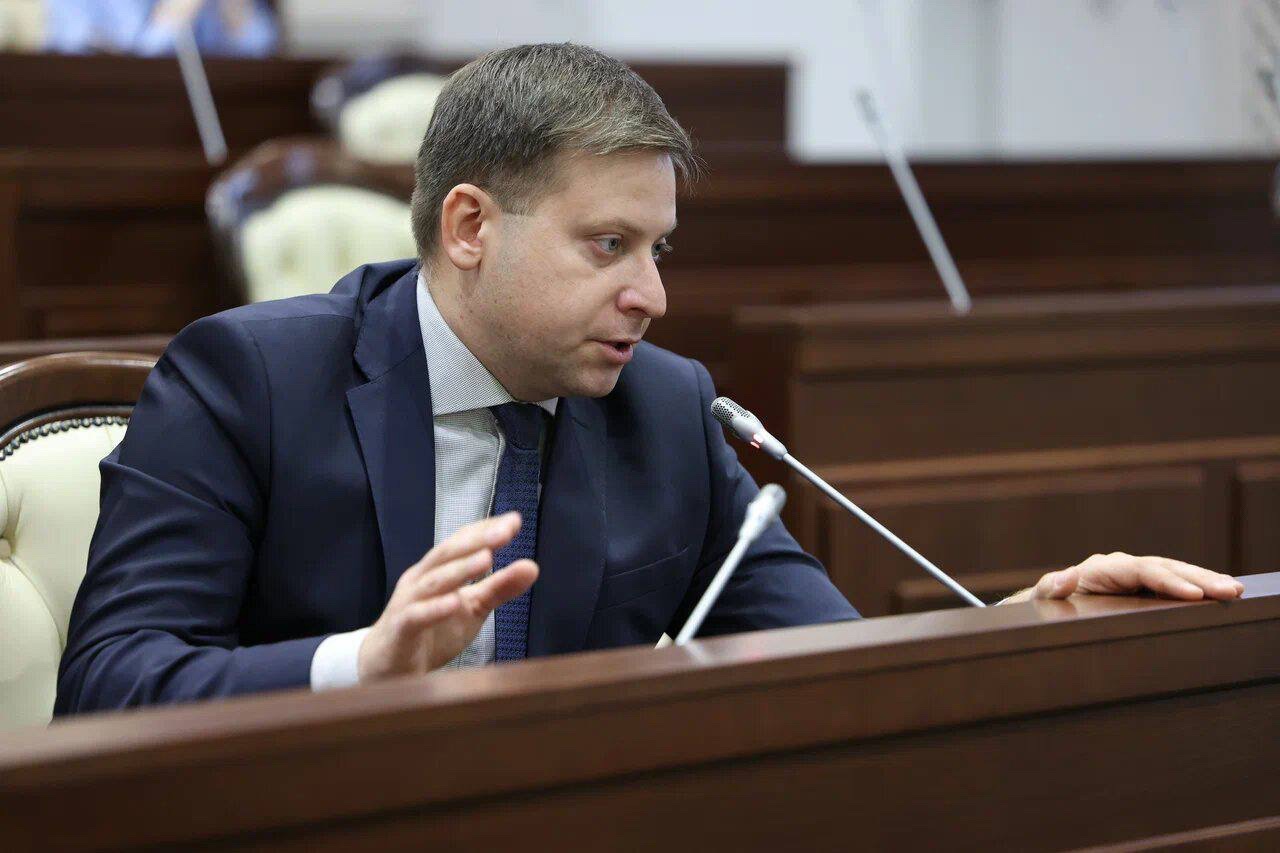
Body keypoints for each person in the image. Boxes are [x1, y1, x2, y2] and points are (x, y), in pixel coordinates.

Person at [55, 43, 1243, 714]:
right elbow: (107, 685)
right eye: (608, 246)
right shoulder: (247, 380)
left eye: (658, 249)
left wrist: (1032, 622)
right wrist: (363, 663)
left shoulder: (663, 407)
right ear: (469, 226)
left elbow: (828, 666)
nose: (650, 296)